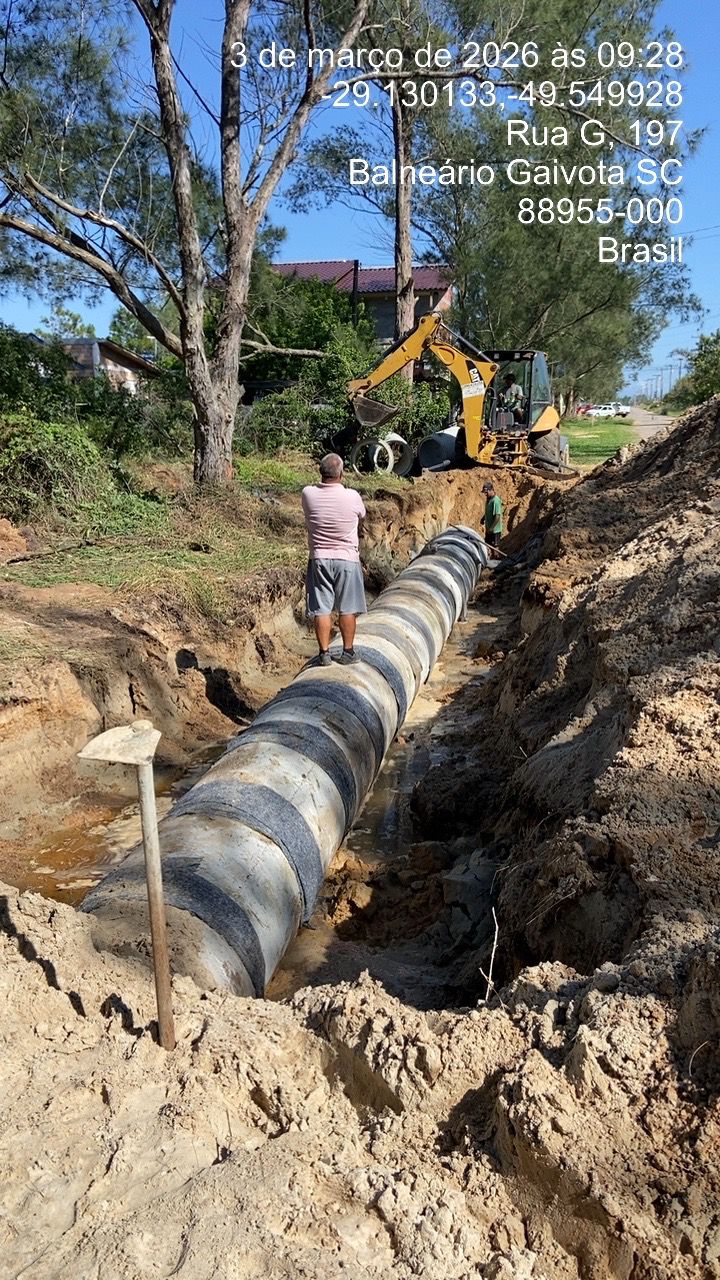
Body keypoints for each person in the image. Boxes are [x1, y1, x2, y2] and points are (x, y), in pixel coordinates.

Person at [301, 453, 367, 666]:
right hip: (347, 559)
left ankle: (324, 654)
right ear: (342, 473)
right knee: (347, 608)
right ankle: (348, 652)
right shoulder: (353, 496)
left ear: (320, 472)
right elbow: (361, 517)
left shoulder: (308, 494)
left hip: (320, 558)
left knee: (322, 608)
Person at [481, 481, 504, 549]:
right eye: (484, 493)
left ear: (491, 490)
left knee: (495, 548)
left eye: (486, 492)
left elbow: (497, 516)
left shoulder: (496, 501)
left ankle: (497, 559)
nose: (485, 494)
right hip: (489, 529)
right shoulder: (489, 500)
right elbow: (489, 512)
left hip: (495, 530)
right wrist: (483, 518)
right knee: (487, 546)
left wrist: (491, 528)